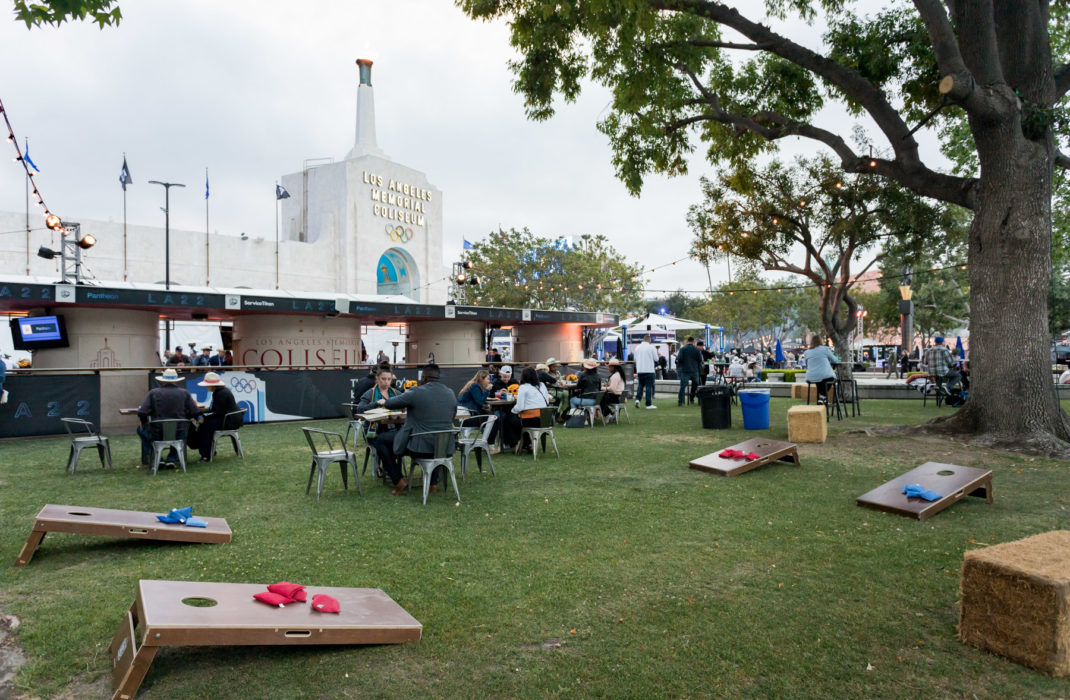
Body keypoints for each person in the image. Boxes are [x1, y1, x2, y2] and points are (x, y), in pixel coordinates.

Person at [377, 363, 457, 494]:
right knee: (436, 437)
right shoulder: (450, 393)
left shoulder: (416, 391)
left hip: (420, 447)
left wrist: (383, 401)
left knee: (380, 440)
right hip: (445, 447)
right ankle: (433, 484)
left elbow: (391, 403)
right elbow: (452, 417)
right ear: (438, 377)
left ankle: (398, 480)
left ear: (423, 378)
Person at [136, 368, 200, 467]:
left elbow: (142, 412)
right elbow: (195, 412)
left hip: (157, 431)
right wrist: (186, 417)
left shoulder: (153, 393)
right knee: (180, 432)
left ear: (163, 381)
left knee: (140, 430)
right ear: (176, 381)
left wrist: (144, 423)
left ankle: (157, 457)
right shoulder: (184, 393)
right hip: (180, 431)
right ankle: (172, 458)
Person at [355, 366, 405, 493]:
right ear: (377, 379)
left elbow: (407, 405)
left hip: (394, 429)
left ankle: (390, 471)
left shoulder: (396, 393)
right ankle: (392, 473)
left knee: (388, 443)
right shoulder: (370, 394)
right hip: (373, 431)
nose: (386, 382)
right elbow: (359, 410)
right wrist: (376, 403)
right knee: (382, 443)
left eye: (389, 379)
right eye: (383, 379)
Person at [188, 371, 241, 462]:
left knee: (204, 427)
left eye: (206, 385)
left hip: (228, 421)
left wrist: (203, 416)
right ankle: (209, 451)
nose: (205, 387)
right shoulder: (220, 392)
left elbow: (218, 413)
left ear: (212, 385)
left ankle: (206, 455)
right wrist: (202, 411)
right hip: (229, 418)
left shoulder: (221, 394)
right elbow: (215, 409)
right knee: (205, 424)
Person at [511, 366, 550, 451]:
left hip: (531, 420)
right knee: (520, 419)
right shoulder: (542, 385)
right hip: (545, 419)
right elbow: (547, 402)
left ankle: (518, 443)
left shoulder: (523, 387)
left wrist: (512, 410)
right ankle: (528, 443)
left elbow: (520, 407)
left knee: (512, 419)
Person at [803, 335, 839, 403]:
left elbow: (807, 364)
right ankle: (823, 397)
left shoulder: (806, 352)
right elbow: (835, 360)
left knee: (819, 379)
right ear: (821, 341)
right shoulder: (825, 349)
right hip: (824, 375)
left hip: (810, 376)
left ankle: (823, 399)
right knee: (831, 378)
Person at [633, 334, 659, 409]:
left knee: (640, 386)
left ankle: (637, 400)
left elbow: (635, 359)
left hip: (640, 370)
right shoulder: (651, 347)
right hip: (649, 370)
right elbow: (656, 359)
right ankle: (648, 404)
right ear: (649, 340)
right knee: (648, 387)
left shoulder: (637, 347)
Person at [676, 336, 703, 406]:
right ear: (693, 341)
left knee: (683, 386)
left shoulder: (683, 349)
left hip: (685, 370)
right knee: (696, 386)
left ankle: (681, 401)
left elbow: (680, 359)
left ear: (687, 341)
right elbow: (700, 360)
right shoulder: (697, 350)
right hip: (694, 370)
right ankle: (694, 399)